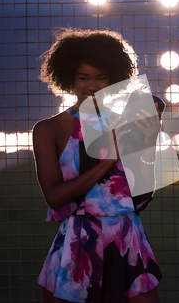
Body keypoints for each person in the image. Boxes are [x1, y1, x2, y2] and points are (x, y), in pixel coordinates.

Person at [32, 28, 162, 303]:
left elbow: (140, 198)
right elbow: (55, 197)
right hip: (77, 241)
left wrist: (149, 144)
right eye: (83, 77)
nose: (92, 86)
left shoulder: (126, 124)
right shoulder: (49, 130)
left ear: (113, 80)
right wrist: (109, 160)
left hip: (127, 238)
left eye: (101, 78)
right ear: (68, 78)